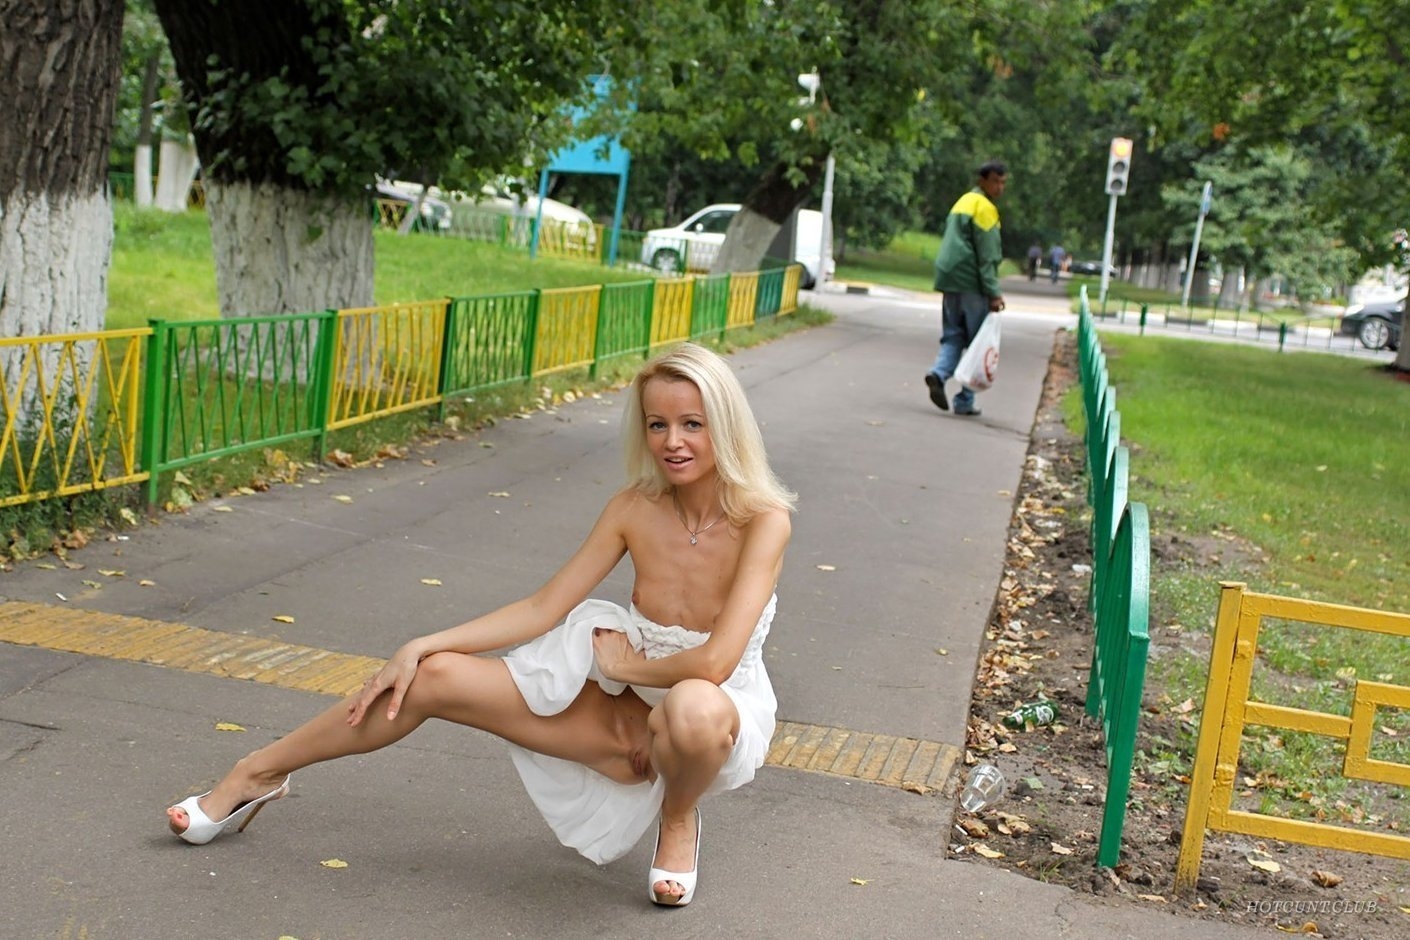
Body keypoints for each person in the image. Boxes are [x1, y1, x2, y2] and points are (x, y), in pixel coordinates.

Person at [164, 342, 795, 909]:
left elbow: (714, 664)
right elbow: (543, 607)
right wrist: (422, 644)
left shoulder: (763, 522)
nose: (672, 441)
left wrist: (627, 664)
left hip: (710, 716)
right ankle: (259, 772)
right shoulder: (634, 508)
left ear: (724, 425)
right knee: (430, 677)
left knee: (693, 705)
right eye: (658, 424)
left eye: (692, 424)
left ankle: (679, 815)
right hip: (621, 716)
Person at [924, 160, 1007, 418]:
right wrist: (993, 292)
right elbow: (987, 256)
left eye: (1003, 182)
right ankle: (964, 401)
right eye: (995, 181)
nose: (1000, 187)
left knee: (953, 335)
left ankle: (938, 374)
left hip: (949, 278)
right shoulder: (985, 209)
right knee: (976, 341)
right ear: (982, 180)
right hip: (971, 281)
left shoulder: (963, 202)